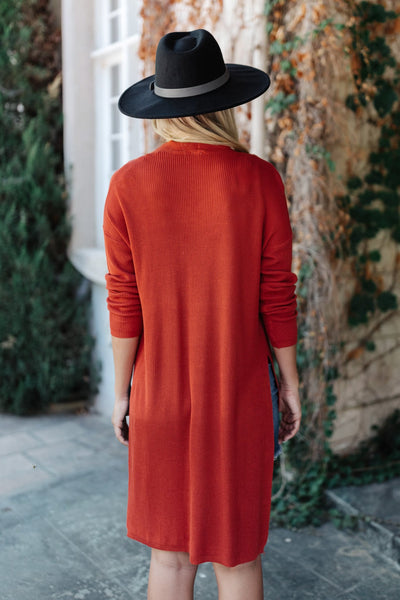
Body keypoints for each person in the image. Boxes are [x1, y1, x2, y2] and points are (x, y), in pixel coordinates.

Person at [103, 29, 301, 600]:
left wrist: (123, 395)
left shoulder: (125, 187)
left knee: (169, 560)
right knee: (237, 560)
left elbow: (125, 303)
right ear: (225, 106)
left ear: (161, 107)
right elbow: (276, 295)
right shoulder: (260, 181)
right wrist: (290, 384)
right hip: (239, 399)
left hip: (159, 397)